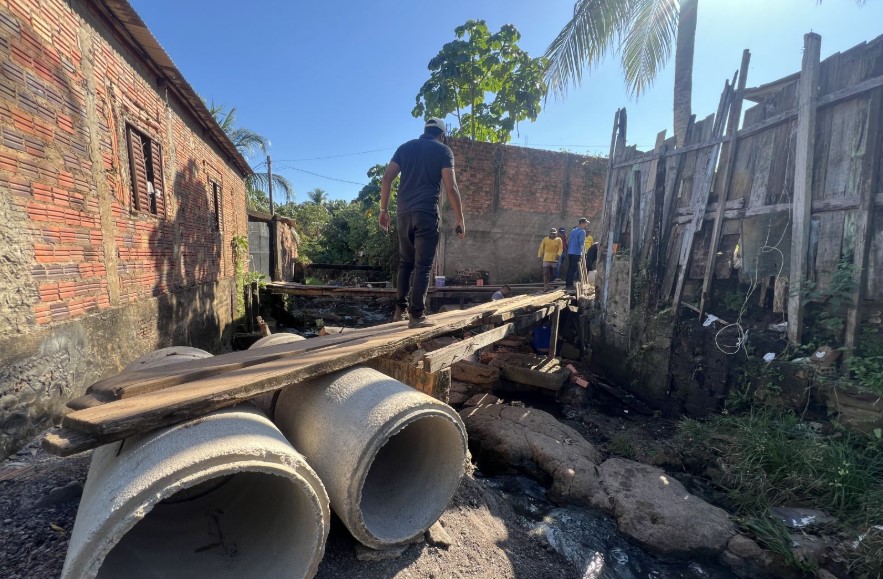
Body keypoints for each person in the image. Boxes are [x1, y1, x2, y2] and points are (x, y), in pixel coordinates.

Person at [379, 117, 466, 329]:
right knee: (423, 265)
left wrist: (383, 210)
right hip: (426, 213)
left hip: (402, 213)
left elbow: (386, 179)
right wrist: (460, 219)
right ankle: (416, 315)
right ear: (442, 134)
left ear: (425, 130)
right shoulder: (443, 151)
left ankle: (400, 310)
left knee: (405, 262)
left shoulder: (405, 148)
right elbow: (451, 187)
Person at [565, 218, 589, 289]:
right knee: (573, 268)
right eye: (585, 223)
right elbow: (581, 243)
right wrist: (584, 253)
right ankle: (569, 284)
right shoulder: (582, 231)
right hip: (576, 252)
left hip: (570, 252)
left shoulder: (573, 230)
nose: (586, 224)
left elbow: (568, 241)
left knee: (570, 268)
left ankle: (568, 282)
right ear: (581, 223)